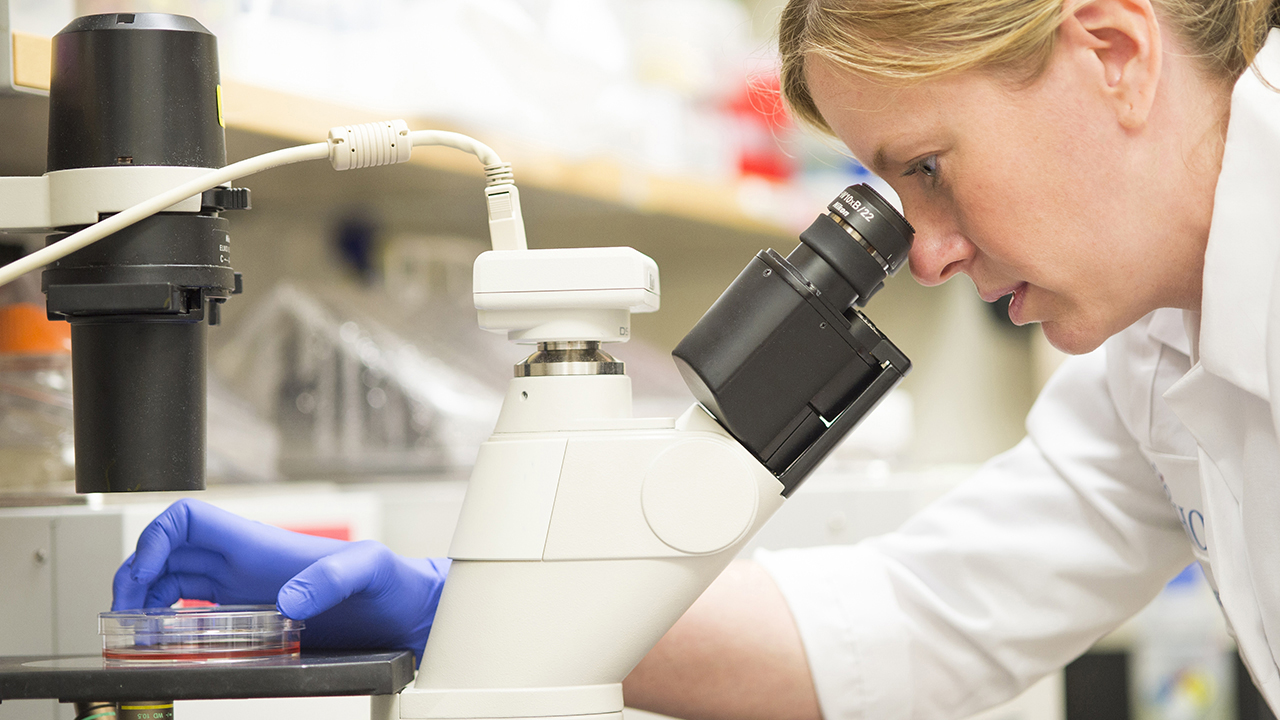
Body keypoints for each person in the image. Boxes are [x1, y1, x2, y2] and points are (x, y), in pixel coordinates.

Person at [114, 0, 1280, 717]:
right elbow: (911, 621)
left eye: (926, 165)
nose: (921, 256)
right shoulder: (1148, 356)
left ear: (1111, 52)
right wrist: (450, 610)